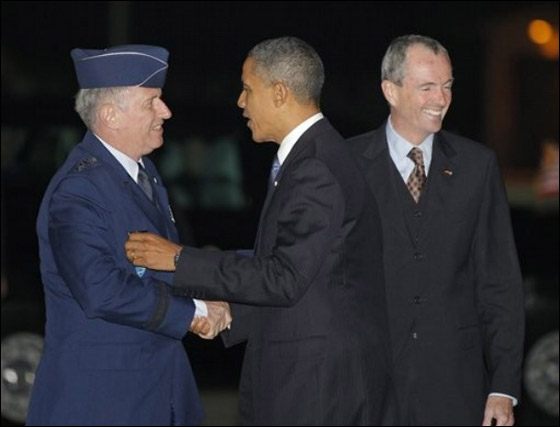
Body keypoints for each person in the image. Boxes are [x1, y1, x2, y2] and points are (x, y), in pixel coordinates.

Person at [125, 37, 394, 426]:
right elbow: (316, 275)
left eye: (248, 89)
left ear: (279, 93)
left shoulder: (315, 167)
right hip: (312, 376)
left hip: (318, 387)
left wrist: (179, 259)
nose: (240, 102)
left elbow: (283, 277)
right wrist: (231, 311)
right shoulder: (311, 156)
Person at [27, 44, 230, 426]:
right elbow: (100, 288)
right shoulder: (79, 190)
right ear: (110, 115)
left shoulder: (142, 173)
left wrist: (236, 278)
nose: (165, 111)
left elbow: (164, 266)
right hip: (101, 403)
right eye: (151, 102)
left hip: (152, 392)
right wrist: (194, 313)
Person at [348, 35, 524, 426]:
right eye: (427, 87)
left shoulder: (478, 166)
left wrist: (503, 386)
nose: (441, 99)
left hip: (455, 387)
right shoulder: (347, 165)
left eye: (447, 86)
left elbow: (499, 283)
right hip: (368, 385)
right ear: (390, 91)